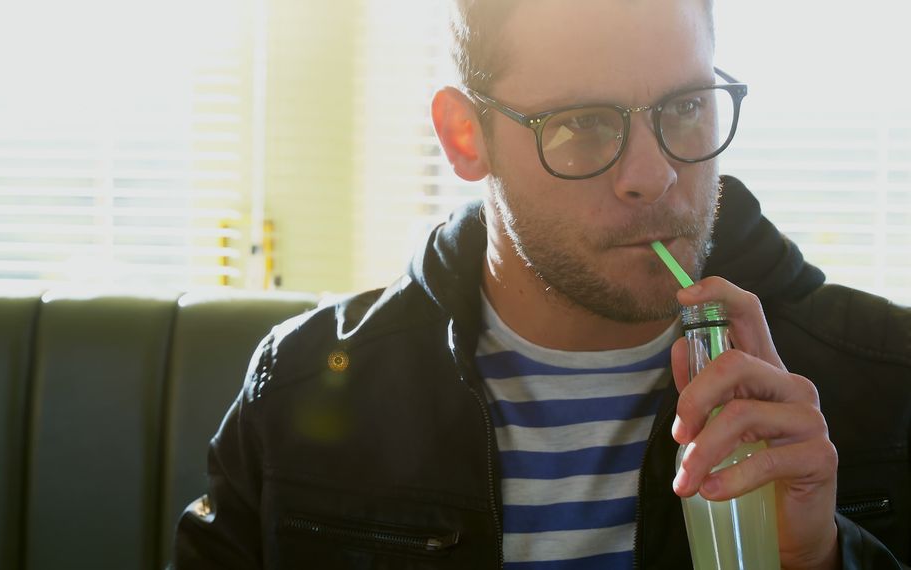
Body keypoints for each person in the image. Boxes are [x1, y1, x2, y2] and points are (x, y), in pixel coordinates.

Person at [175, 0, 911, 567]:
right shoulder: (302, 388)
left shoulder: (886, 380)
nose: (653, 177)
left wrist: (821, 559)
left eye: (685, 108)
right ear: (466, 137)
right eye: (582, 124)